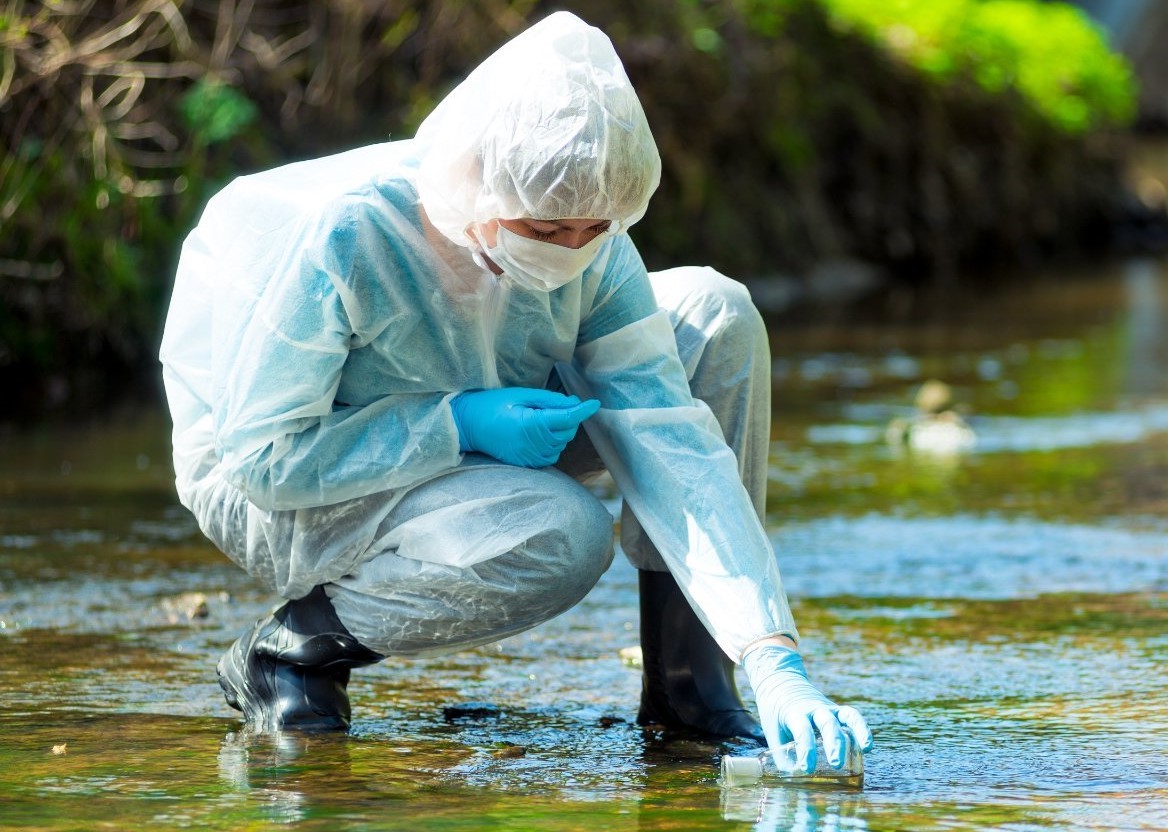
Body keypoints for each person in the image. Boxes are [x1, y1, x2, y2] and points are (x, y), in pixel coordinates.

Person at [159, 11, 871, 771]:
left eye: (593, 228)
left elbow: (671, 436)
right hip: (290, 479)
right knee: (565, 535)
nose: (571, 252)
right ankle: (294, 651)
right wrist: (454, 424)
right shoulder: (348, 239)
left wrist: (772, 655)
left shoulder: (593, 242)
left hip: (498, 404)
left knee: (712, 312)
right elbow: (265, 459)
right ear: (479, 190)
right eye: (545, 229)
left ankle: (690, 687)